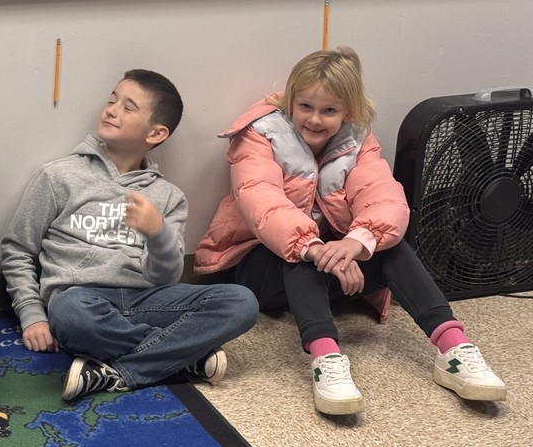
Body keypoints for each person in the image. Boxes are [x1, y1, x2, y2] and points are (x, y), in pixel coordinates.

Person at [194, 47, 507, 415]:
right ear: (290, 101)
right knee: (299, 252)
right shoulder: (259, 135)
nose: (314, 119)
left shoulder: (358, 142)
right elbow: (260, 201)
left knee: (389, 244)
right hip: (257, 269)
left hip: (333, 267)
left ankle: (454, 349)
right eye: (306, 106)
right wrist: (313, 246)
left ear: (348, 112)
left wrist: (356, 244)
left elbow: (383, 197)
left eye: (329, 110)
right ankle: (326, 357)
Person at [1, 69, 258, 401]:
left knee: (242, 302)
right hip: (81, 299)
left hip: (146, 300)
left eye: (128, 107)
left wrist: (158, 232)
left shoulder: (168, 196)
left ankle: (120, 372)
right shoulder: (59, 176)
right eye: (112, 100)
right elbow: (18, 248)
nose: (111, 110)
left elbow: (166, 277)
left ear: (155, 133)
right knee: (69, 314)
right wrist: (32, 315)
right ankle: (183, 356)